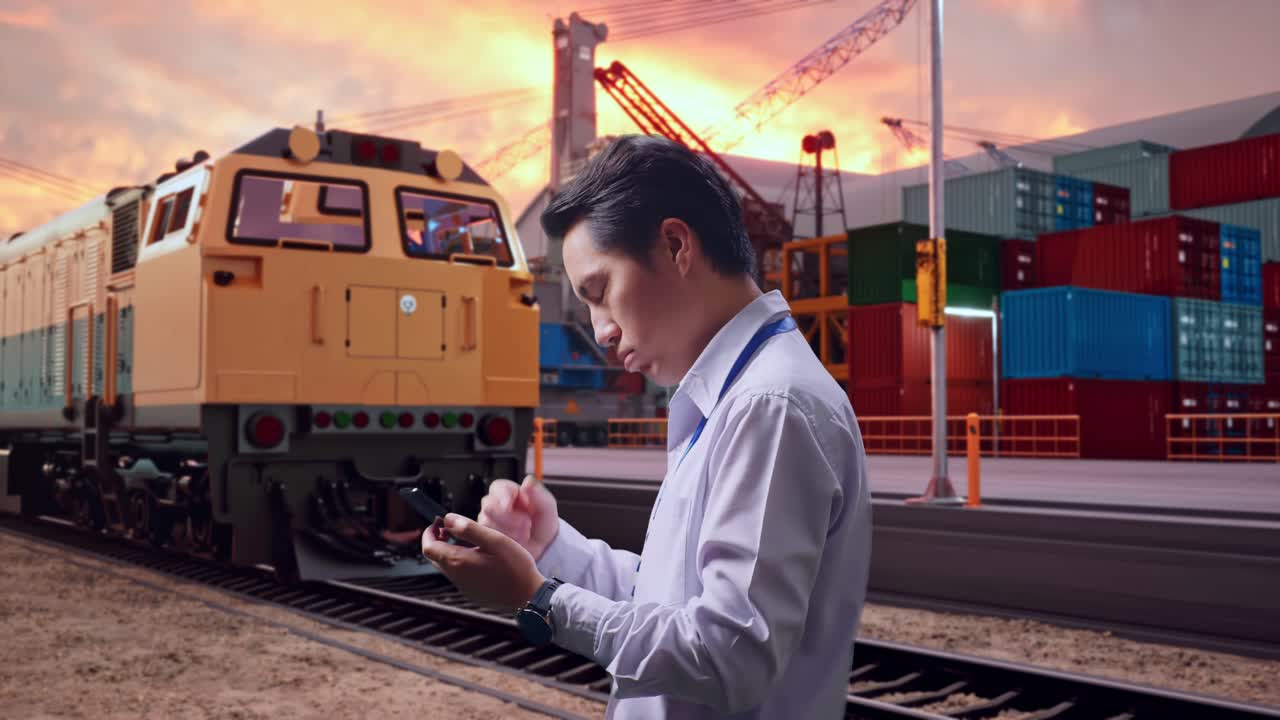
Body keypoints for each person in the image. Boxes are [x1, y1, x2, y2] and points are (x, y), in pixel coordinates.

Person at [420, 134, 871, 719]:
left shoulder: (769, 405)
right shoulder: (737, 396)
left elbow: (727, 656)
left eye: (600, 290)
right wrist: (551, 552)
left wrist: (537, 600)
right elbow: (674, 600)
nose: (600, 329)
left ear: (676, 245)